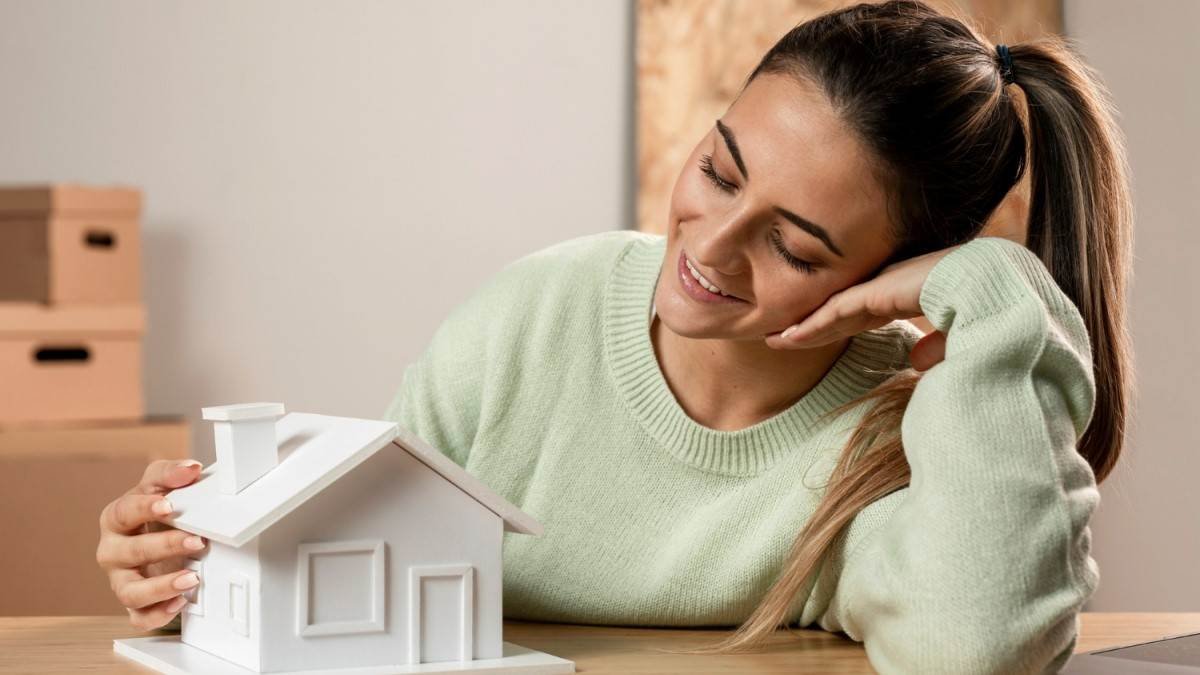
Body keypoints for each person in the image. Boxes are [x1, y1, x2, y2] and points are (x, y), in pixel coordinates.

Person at [95, 1, 1133, 672]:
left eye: (798, 247)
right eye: (722, 171)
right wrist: (187, 578)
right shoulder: (537, 314)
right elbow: (358, 569)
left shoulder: (909, 433)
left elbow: (981, 642)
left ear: (893, 271)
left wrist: (993, 289)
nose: (711, 250)